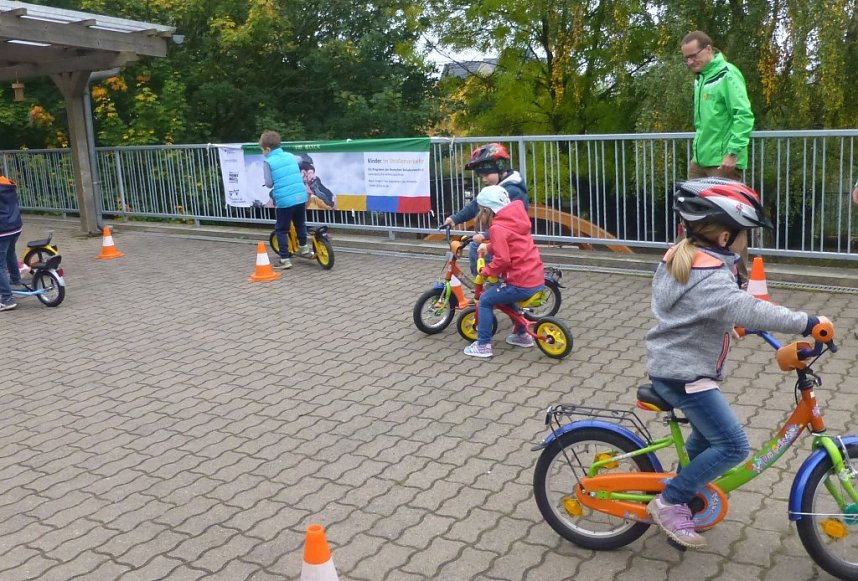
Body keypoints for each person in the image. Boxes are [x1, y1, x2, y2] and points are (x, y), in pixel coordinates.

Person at [645, 177, 829, 549]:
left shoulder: (685, 260)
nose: (748, 241)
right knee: (732, 446)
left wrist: (735, 328)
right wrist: (807, 321)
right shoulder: (709, 276)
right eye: (746, 233)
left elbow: (703, 312)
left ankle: (688, 498)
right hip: (685, 375)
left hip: (675, 366)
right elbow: (747, 306)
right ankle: (670, 502)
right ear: (725, 237)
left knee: (704, 439)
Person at [681, 31, 755, 279]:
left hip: (723, 163)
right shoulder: (701, 78)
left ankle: (738, 281)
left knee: (731, 221)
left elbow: (743, 116)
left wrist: (732, 152)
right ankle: (694, 274)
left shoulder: (727, 75)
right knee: (690, 215)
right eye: (687, 58)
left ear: (709, 49)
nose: (691, 62)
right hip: (700, 161)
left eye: (694, 56)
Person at [463, 185, 545, 358]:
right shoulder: (516, 219)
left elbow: (503, 260)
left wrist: (486, 271)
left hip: (520, 282)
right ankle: (522, 335)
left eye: (481, 211)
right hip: (535, 277)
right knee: (505, 297)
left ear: (486, 211)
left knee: (485, 300)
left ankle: (483, 345)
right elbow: (512, 245)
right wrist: (488, 247)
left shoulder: (497, 228)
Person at [444, 143, 529, 276]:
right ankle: (482, 287)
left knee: (478, 250)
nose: (484, 179)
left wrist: (485, 235)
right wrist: (455, 219)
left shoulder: (512, 191)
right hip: (498, 235)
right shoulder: (497, 187)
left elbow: (512, 225)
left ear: (500, 168)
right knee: (476, 248)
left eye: (486, 175)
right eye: (481, 176)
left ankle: (489, 289)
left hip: (510, 240)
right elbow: (476, 204)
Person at [259, 131, 313, 269]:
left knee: (281, 229)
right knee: (300, 223)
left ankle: (284, 259)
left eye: (262, 150)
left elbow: (269, 183)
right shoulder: (290, 156)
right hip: (300, 196)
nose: (262, 152)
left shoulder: (268, 162)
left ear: (268, 149)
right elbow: (300, 160)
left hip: (285, 200)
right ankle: (304, 248)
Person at [0, 176, 23, 312]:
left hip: (2, 230)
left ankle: (7, 298)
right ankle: (15, 280)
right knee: (10, 253)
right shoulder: (6, 182)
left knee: (0, 265)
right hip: (15, 226)